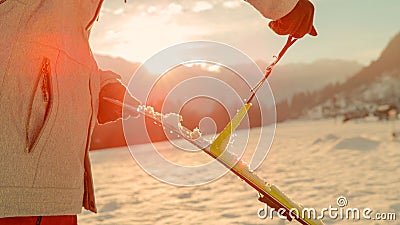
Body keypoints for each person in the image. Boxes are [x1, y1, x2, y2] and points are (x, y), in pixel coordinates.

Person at [0, 0, 316, 224]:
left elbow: (48, 36)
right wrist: (281, 4)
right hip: (19, 179)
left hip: (44, 176)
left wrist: (96, 83)